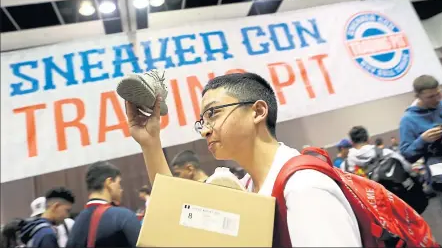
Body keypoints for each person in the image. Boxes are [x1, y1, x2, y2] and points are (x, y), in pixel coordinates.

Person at [125, 72, 362, 246]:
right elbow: (178, 215)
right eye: (202, 121)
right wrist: (150, 142)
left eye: (213, 113)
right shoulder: (246, 186)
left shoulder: (305, 189)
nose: (205, 130)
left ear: (258, 111)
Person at [399, 75, 442, 231]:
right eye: (430, 97)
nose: (436, 99)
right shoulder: (408, 120)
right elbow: (407, 154)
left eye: (438, 94)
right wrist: (422, 140)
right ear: (418, 96)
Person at [66, 161, 141, 248]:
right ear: (109, 182)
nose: (121, 189)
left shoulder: (76, 224)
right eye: (119, 183)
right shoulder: (122, 216)